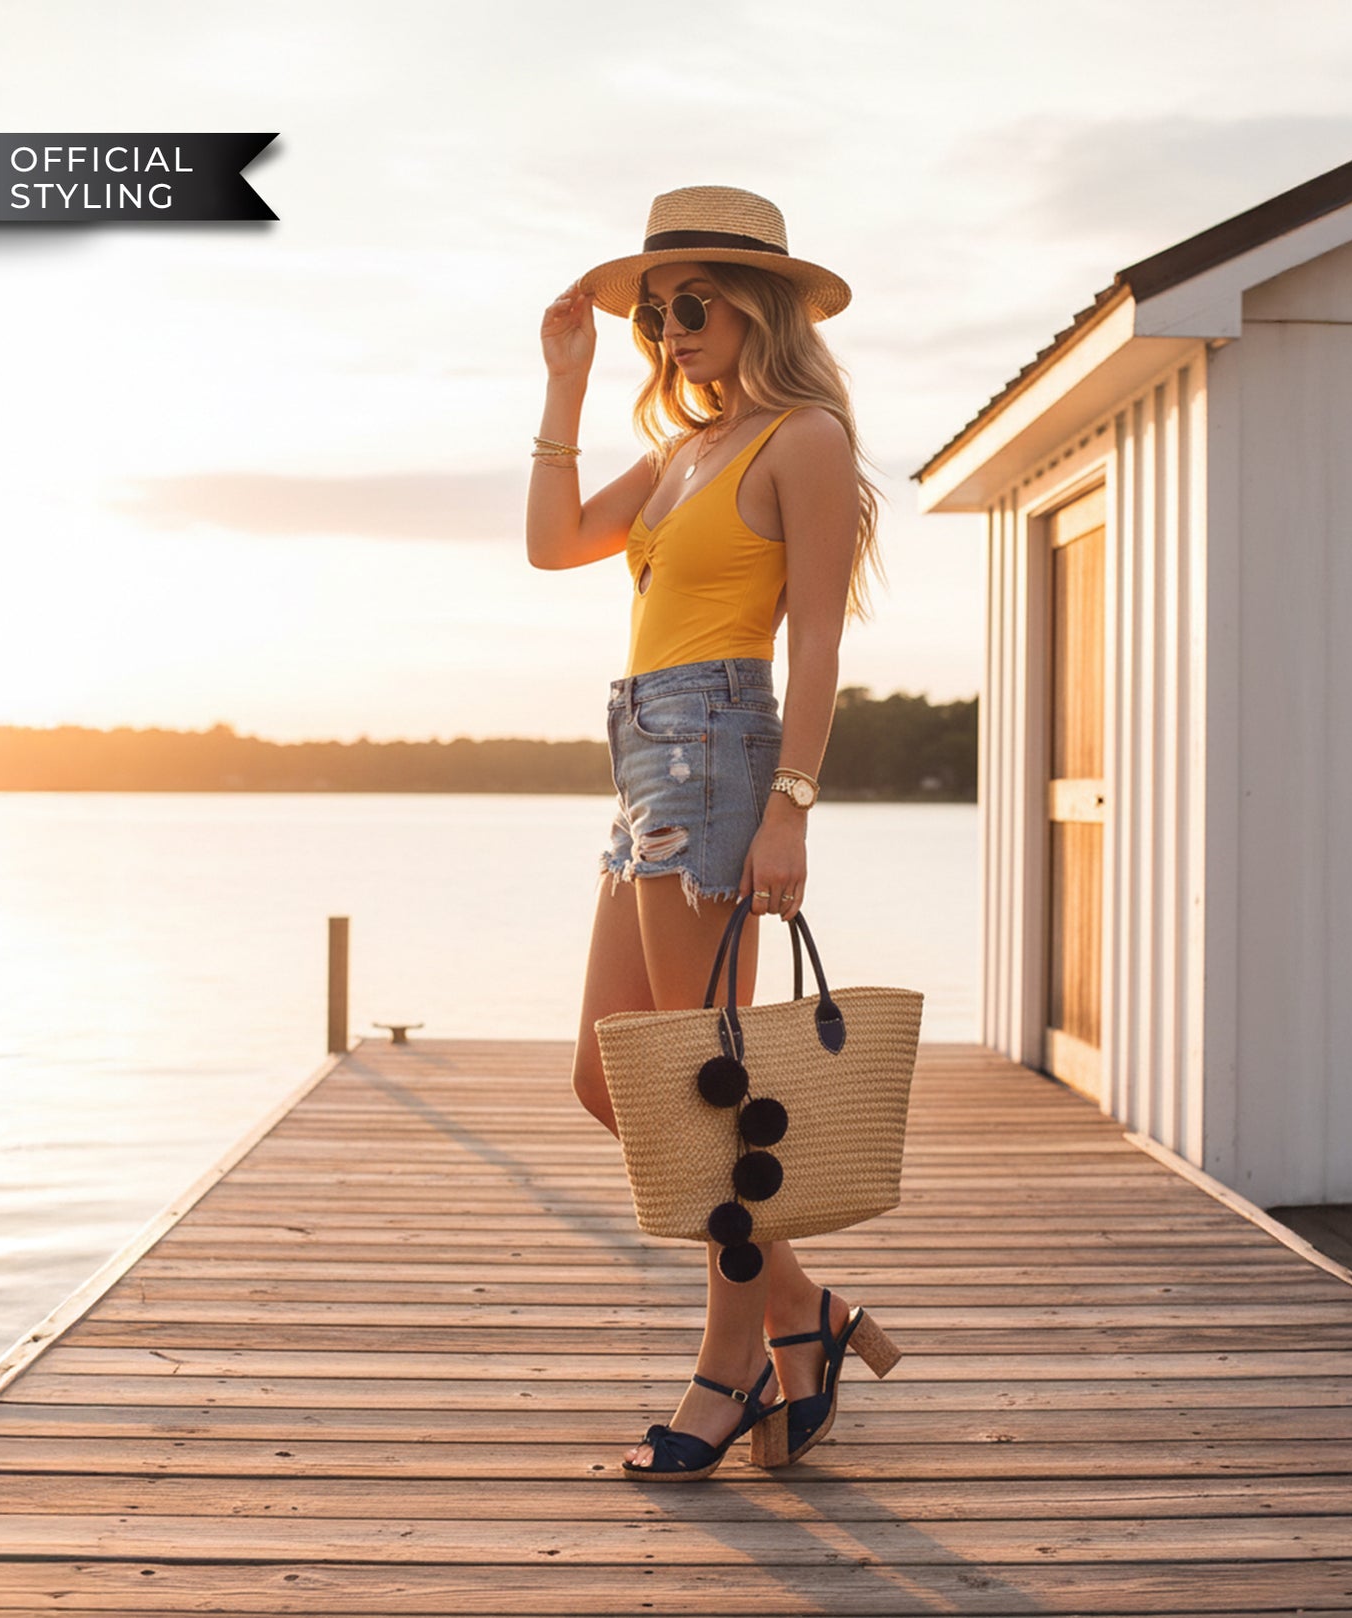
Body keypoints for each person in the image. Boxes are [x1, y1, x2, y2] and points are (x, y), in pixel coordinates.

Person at [526, 186, 897, 1479]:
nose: (670, 329)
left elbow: (817, 640)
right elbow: (553, 544)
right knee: (609, 1077)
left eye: (692, 304)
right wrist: (567, 381)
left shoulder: (803, 436)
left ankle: (728, 1367)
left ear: (758, 308)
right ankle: (802, 1310)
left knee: (704, 1089)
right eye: (654, 313)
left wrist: (792, 803)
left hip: (720, 747)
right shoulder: (687, 447)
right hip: (644, 754)